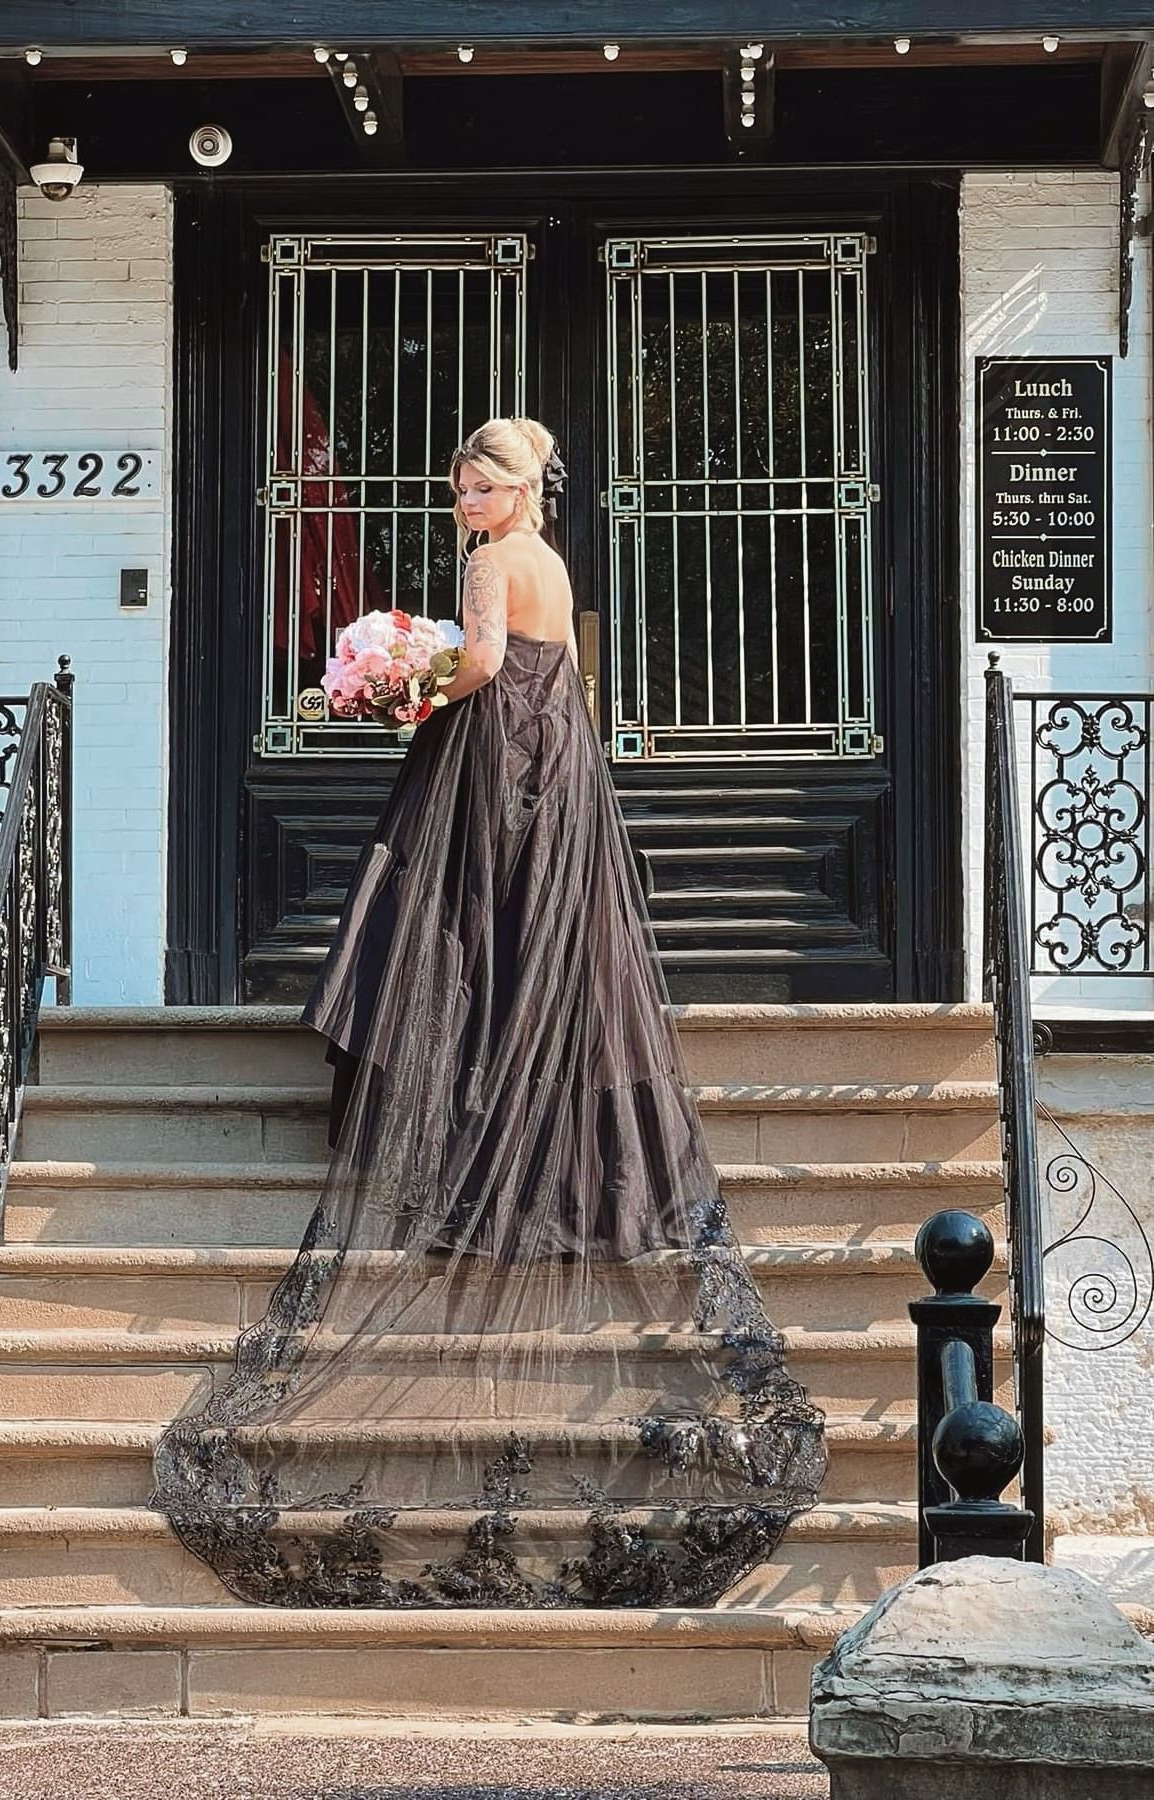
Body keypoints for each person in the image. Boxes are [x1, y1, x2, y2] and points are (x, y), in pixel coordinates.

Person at [151, 417, 826, 1608]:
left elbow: (475, 667)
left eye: (486, 486)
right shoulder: (557, 561)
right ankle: (519, 1141)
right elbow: (548, 667)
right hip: (556, 763)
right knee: (535, 958)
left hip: (494, 759)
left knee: (446, 928)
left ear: (524, 491)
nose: (468, 500)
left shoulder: (490, 564)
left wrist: (393, 680)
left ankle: (468, 1143)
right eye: (460, 487)